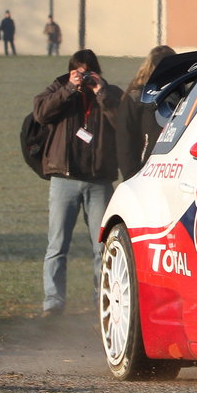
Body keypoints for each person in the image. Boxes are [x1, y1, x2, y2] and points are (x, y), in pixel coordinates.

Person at [33, 49, 128, 316]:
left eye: (89, 72)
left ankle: (103, 299)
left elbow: (122, 124)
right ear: (71, 71)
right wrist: (68, 89)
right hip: (64, 178)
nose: (84, 77)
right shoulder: (58, 89)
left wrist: (101, 92)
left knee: (103, 246)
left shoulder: (109, 93)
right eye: (79, 72)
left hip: (98, 180)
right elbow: (41, 113)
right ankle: (53, 302)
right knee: (57, 244)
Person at [117, 45, 177, 173]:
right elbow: (125, 138)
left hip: (173, 170)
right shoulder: (137, 97)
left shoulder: (182, 94)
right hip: (144, 171)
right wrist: (131, 174)